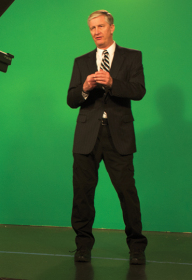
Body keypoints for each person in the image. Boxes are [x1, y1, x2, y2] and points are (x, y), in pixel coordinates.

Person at [67, 10, 147, 265]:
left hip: (118, 135)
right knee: (82, 194)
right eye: (92, 28)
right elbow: (71, 99)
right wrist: (85, 88)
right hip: (86, 135)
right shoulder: (81, 61)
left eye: (101, 26)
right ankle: (83, 246)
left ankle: (136, 247)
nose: (96, 31)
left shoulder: (132, 57)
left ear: (112, 28)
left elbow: (138, 90)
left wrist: (112, 82)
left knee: (127, 192)